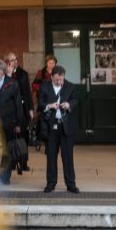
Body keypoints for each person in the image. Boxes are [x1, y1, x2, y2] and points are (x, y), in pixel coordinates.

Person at [37, 64, 79, 194]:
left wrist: (69, 104)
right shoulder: (44, 86)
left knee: (67, 157)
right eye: (56, 80)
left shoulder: (70, 86)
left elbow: (76, 100)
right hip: (50, 126)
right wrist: (49, 106)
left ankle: (71, 184)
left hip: (65, 126)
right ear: (51, 77)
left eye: (61, 79)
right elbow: (40, 104)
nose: (59, 82)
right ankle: (51, 183)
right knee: (51, 156)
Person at [0, 59, 25, 183]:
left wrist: (19, 124)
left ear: (2, 71)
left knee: (7, 151)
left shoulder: (12, 84)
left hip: (8, 123)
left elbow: (18, 105)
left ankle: (4, 177)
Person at [5, 53, 34, 170]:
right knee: (10, 137)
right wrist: (8, 74)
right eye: (11, 60)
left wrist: (31, 108)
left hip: (22, 109)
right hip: (9, 110)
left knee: (23, 136)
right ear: (7, 62)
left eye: (15, 59)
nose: (14, 62)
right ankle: (11, 162)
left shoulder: (23, 74)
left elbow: (27, 92)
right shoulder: (4, 74)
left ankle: (23, 162)